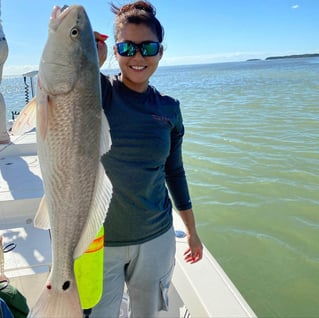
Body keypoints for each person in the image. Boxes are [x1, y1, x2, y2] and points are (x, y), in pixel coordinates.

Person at [93, 1, 203, 317]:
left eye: (147, 47)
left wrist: (192, 232)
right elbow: (63, 85)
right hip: (100, 240)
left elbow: (175, 171)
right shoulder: (99, 92)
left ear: (160, 52)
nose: (137, 56)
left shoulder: (169, 108)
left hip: (156, 237)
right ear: (115, 52)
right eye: (127, 47)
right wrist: (89, 61)